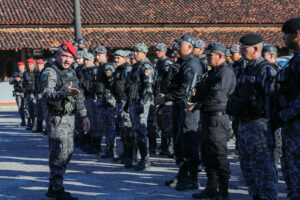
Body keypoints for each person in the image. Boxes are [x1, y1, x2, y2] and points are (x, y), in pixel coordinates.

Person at [227, 33, 278, 200]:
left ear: (255, 49)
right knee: (247, 165)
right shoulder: (245, 68)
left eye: (244, 48)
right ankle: (255, 195)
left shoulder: (265, 70)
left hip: (259, 125)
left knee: (262, 166)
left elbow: (272, 100)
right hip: (244, 124)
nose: (241, 51)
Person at [41, 41, 90, 200]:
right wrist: (64, 93)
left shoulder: (71, 72)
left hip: (70, 118)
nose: (67, 60)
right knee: (58, 152)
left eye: (70, 57)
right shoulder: (50, 71)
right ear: (57, 55)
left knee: (67, 152)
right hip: (56, 118)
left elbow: (78, 94)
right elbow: (46, 94)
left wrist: (83, 115)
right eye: (64, 56)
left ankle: (54, 185)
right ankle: (57, 188)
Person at [191, 43, 236, 200]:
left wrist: (197, 105)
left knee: (218, 154)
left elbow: (217, 97)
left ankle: (223, 192)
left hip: (218, 118)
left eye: (210, 55)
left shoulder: (225, 72)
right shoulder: (213, 72)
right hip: (208, 117)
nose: (207, 58)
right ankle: (211, 187)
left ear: (219, 55)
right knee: (207, 154)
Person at [157, 34, 202, 191]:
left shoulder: (191, 65)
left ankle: (193, 178)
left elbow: (185, 91)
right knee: (179, 143)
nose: (176, 47)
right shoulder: (182, 63)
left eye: (179, 45)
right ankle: (183, 174)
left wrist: (166, 98)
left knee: (189, 143)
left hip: (187, 109)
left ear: (189, 47)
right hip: (178, 108)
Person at [272, 17, 300, 200]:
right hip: (291, 126)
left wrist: (283, 115)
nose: (284, 40)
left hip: (295, 123)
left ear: (297, 35)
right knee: (291, 174)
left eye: (286, 36)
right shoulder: (294, 60)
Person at [126, 42, 154, 171]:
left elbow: (148, 88)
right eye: (134, 51)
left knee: (140, 131)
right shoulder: (136, 66)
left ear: (144, 53)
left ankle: (145, 159)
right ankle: (136, 158)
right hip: (133, 101)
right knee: (134, 132)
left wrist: (142, 103)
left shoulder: (146, 67)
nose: (135, 53)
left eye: (138, 51)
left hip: (140, 103)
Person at [112, 50, 133, 163]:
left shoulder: (127, 70)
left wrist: (128, 103)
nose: (116, 60)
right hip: (119, 101)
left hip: (126, 102)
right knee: (122, 129)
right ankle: (125, 153)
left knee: (127, 129)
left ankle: (130, 155)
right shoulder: (118, 70)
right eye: (115, 57)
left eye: (118, 58)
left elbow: (130, 88)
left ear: (125, 58)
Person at [9, 62, 26, 126]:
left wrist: (21, 79)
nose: (20, 67)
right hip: (18, 93)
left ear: (24, 66)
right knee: (20, 108)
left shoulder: (27, 73)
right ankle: (23, 121)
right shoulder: (15, 74)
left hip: (25, 93)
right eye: (19, 66)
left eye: (21, 66)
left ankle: (30, 122)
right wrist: (15, 79)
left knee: (28, 108)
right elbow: (10, 81)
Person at [32, 59, 46, 132]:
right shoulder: (36, 73)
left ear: (43, 65)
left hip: (44, 94)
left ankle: (47, 128)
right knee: (38, 111)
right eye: (37, 65)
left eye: (40, 65)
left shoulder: (45, 72)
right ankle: (39, 127)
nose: (39, 66)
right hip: (37, 94)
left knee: (45, 111)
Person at [23, 58, 37, 130]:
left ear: (34, 65)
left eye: (31, 64)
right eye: (28, 64)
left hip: (35, 94)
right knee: (29, 110)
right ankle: (31, 123)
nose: (29, 66)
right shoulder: (25, 73)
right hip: (28, 94)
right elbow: (23, 84)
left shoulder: (37, 72)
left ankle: (35, 124)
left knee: (36, 109)